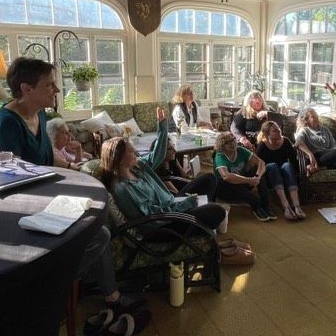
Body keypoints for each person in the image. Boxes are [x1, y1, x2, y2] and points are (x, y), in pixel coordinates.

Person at [0, 57, 144, 317]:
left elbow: (48, 157)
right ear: (26, 89)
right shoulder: (6, 125)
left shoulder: (40, 114)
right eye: (49, 85)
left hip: (43, 201)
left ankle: (104, 293)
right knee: (98, 236)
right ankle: (49, 286)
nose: (56, 90)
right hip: (16, 215)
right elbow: (4, 183)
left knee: (96, 228)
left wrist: (76, 168)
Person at [101, 107, 253, 265]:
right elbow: (150, 216)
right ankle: (211, 241)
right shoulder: (122, 188)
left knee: (209, 179)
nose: (135, 153)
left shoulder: (137, 167)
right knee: (217, 211)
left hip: (172, 204)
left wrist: (162, 124)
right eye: (131, 152)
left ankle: (205, 228)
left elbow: (157, 154)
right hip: (163, 224)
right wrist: (185, 205)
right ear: (118, 158)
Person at [213, 131, 274, 222]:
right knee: (228, 180)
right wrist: (249, 180)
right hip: (226, 189)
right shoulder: (220, 155)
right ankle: (256, 205)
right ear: (222, 145)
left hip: (242, 184)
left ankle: (265, 204)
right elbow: (226, 176)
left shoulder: (240, 150)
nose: (232, 144)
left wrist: (257, 177)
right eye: (228, 142)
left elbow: (261, 163)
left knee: (257, 169)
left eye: (233, 140)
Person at [255, 120, 304, 220]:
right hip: (269, 175)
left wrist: (299, 175)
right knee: (272, 166)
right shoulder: (262, 146)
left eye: (278, 129)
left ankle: (296, 205)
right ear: (267, 134)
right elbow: (258, 166)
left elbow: (294, 161)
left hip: (285, 172)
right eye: (275, 131)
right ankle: (285, 206)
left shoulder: (285, 141)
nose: (279, 131)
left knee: (287, 165)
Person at [295, 108, 336, 173]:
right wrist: (310, 154)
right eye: (312, 117)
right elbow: (298, 142)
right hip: (317, 157)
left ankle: (319, 169)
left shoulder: (325, 129)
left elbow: (333, 147)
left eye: (316, 115)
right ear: (306, 120)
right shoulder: (304, 130)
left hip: (329, 156)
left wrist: (335, 156)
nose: (316, 118)